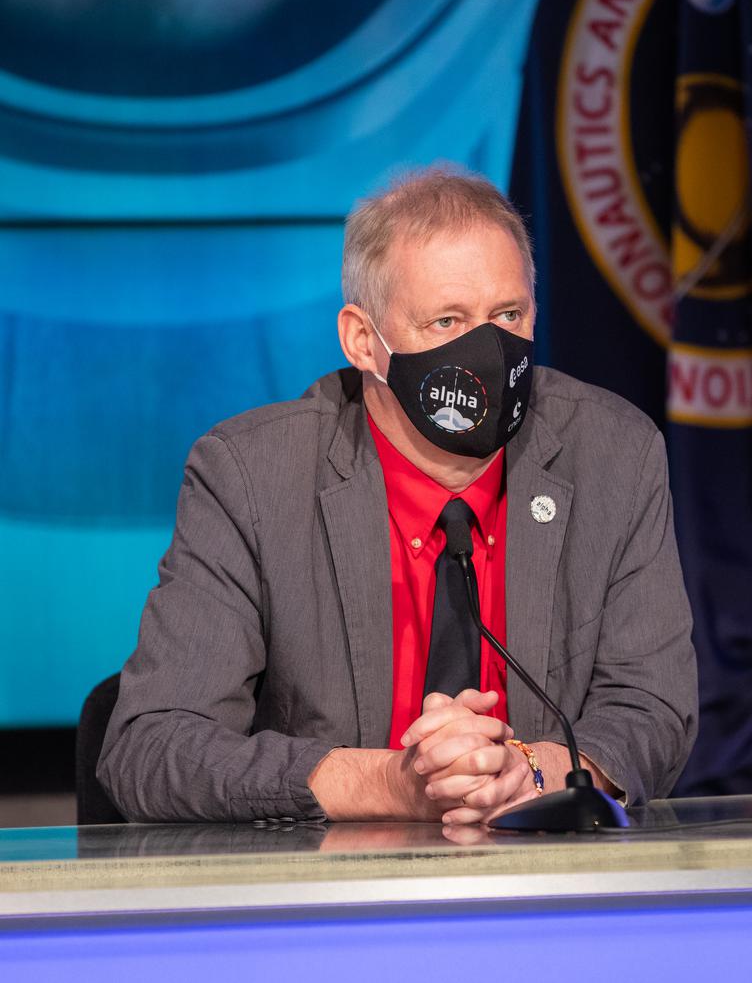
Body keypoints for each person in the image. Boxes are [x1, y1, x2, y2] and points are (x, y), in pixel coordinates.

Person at [99, 167, 698, 823]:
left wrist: (527, 770)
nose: (488, 350)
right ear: (363, 341)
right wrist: (393, 782)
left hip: (543, 894)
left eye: (508, 314)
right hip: (326, 904)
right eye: (447, 321)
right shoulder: (251, 478)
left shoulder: (614, 454)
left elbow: (654, 710)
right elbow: (151, 749)